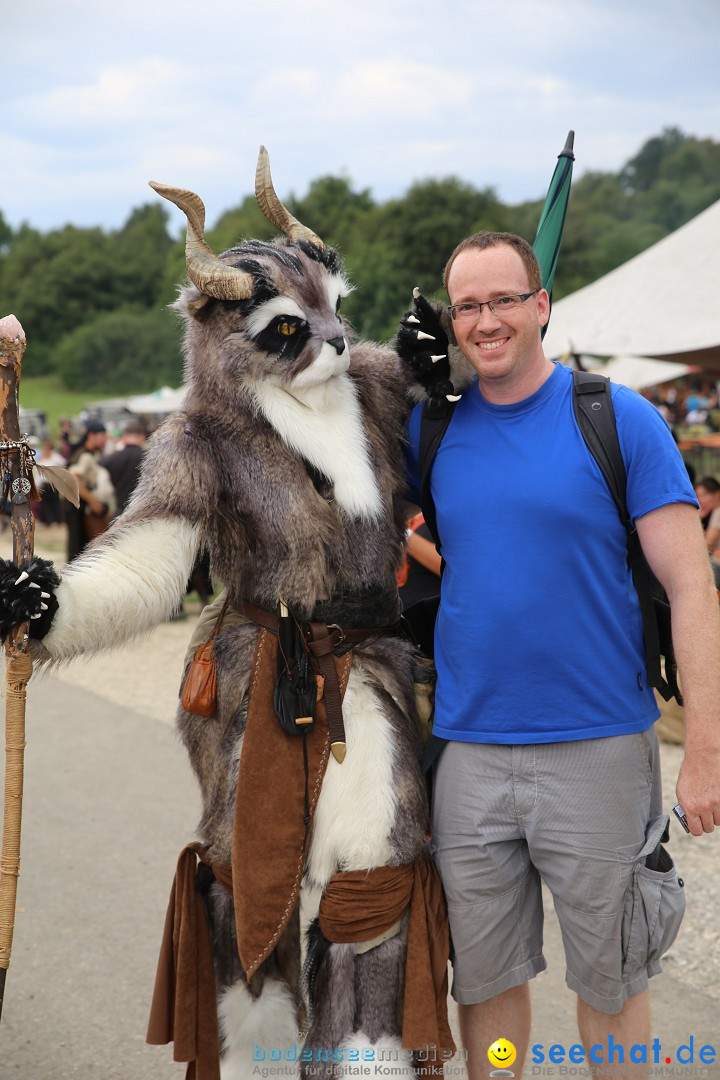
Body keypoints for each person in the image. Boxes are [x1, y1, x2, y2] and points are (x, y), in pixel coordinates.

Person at [399, 232, 720, 1079]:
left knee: (611, 984)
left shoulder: (618, 418)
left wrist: (708, 756)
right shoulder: (429, 429)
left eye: (504, 298)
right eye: (466, 305)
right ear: (450, 321)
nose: (486, 319)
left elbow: (693, 588)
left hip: (600, 747)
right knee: (488, 985)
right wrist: (384, 378)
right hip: (467, 754)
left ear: (542, 306)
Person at [64, 419, 115, 561]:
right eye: (103, 435)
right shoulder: (84, 455)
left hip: (80, 504)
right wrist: (93, 501)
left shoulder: (90, 454)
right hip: (77, 507)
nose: (105, 440)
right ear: (92, 436)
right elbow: (73, 477)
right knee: (79, 547)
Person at [99, 418, 147, 518]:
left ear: (124, 437)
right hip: (143, 515)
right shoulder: (150, 458)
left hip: (119, 514)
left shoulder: (110, 459)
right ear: (142, 437)